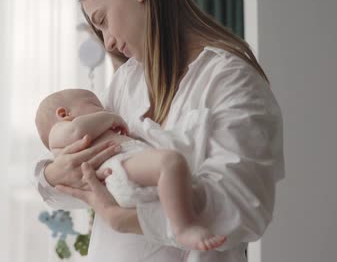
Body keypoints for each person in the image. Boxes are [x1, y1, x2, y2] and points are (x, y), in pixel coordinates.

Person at [33, 0, 284, 262]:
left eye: (104, 19)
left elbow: (243, 208)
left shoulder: (229, 79)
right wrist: (54, 173)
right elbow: (89, 177)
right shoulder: (127, 80)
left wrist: (128, 220)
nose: (107, 40)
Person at [35, 88, 227, 251]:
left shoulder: (85, 130)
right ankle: (184, 227)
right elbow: (77, 131)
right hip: (119, 166)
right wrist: (110, 118)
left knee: (179, 176)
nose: (103, 109)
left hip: (125, 170)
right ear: (64, 114)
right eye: (95, 106)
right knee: (171, 162)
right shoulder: (60, 131)